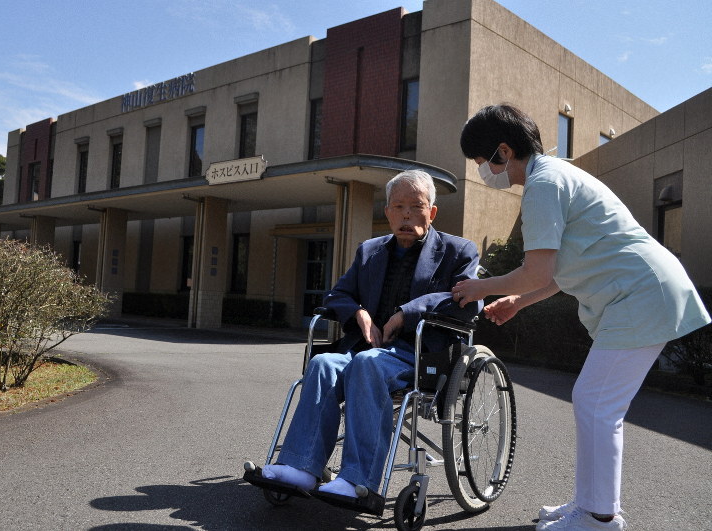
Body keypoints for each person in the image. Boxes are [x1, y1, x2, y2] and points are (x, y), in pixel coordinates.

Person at [453, 104, 711, 530]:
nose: (484, 171)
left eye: (483, 161)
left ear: (504, 151)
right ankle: (590, 505)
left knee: (595, 403)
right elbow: (556, 273)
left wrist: (481, 287)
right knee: (594, 402)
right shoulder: (553, 176)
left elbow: (538, 271)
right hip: (641, 292)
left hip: (640, 294)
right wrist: (518, 301)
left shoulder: (543, 184)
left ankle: (599, 517)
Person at [248, 169, 482, 513]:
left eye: (416, 206)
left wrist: (407, 313)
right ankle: (301, 467)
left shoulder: (457, 250)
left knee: (366, 364)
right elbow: (337, 294)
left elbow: (468, 300)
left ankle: (359, 480)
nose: (406, 215)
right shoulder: (370, 251)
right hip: (368, 349)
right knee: (323, 363)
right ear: (387, 212)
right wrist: (359, 313)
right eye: (398, 206)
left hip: (419, 353)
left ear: (432, 212)